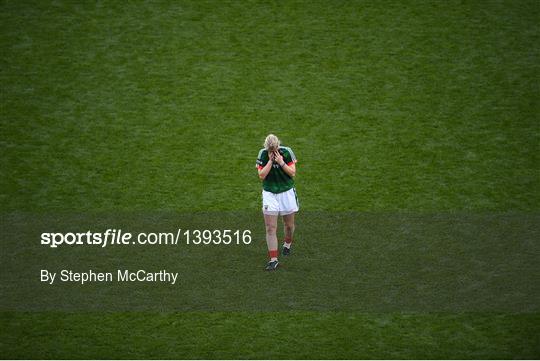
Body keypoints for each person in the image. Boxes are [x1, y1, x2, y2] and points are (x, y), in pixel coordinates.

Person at [256, 134, 299, 271]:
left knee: (289, 225)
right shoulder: (263, 154)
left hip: (286, 192)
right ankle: (273, 259)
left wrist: (281, 162)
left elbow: (292, 173)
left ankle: (287, 243)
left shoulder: (286, 152)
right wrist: (269, 162)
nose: (273, 152)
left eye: (275, 150)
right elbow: (262, 176)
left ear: (278, 146)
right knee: (270, 228)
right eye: (270, 150)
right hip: (270, 193)